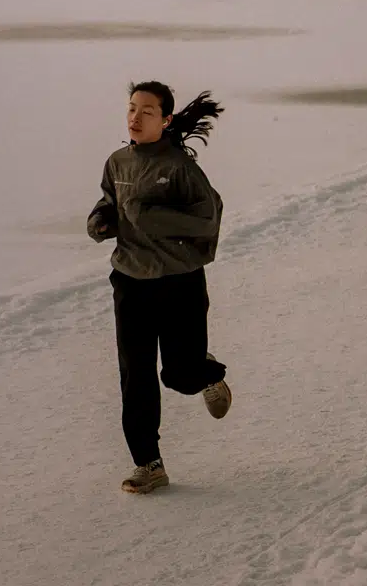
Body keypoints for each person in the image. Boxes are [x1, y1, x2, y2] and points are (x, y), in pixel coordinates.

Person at [87, 81, 231, 494]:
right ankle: (148, 463)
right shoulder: (117, 162)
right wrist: (101, 220)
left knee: (179, 374)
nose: (135, 117)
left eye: (147, 111)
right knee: (135, 376)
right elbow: (110, 202)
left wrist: (154, 219)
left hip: (178, 282)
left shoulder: (181, 169)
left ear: (166, 120)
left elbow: (209, 219)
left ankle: (205, 372)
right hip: (130, 282)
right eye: (132, 109)